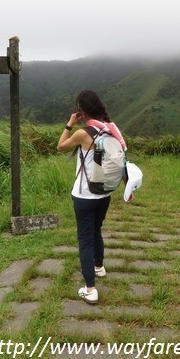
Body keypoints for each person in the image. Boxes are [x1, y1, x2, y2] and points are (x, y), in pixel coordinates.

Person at [57, 90, 113, 304]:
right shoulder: (110, 129)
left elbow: (60, 146)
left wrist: (69, 124)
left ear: (82, 110)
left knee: (85, 238)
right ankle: (98, 267)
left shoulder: (83, 133)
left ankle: (90, 288)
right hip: (105, 193)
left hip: (84, 195)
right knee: (97, 229)